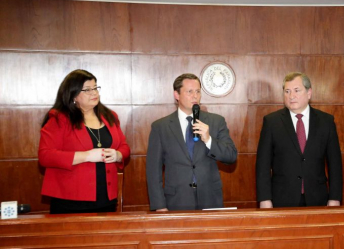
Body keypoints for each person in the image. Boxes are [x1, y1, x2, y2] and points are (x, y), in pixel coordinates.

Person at [39, 69, 130, 214]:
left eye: (95, 88)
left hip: (106, 198)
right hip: (70, 200)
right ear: (74, 95)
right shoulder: (59, 119)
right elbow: (45, 156)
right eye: (87, 90)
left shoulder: (110, 116)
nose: (94, 93)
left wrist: (118, 154)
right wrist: (86, 156)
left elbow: (124, 147)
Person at [146, 73, 237, 211]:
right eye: (189, 92)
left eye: (198, 91)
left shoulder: (216, 122)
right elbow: (153, 171)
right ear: (176, 95)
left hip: (210, 199)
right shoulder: (160, 127)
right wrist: (159, 206)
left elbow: (231, 156)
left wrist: (209, 140)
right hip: (176, 201)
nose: (195, 96)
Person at [256, 72, 343, 208]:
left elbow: (335, 164)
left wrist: (335, 198)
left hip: (318, 198)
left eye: (297, 91)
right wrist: (264, 199)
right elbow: (263, 165)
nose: (291, 96)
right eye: (287, 91)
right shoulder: (272, 122)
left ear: (309, 93)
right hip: (282, 198)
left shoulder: (326, 121)